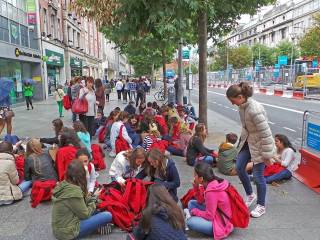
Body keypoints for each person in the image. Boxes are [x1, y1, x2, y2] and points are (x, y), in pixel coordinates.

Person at [226, 82, 275, 218]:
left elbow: (266, 133)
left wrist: (266, 154)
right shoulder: (242, 106)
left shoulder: (255, 109)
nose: (232, 104)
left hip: (259, 145)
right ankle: (250, 195)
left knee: (259, 177)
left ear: (240, 97)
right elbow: (246, 128)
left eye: (233, 100)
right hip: (248, 142)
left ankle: (261, 205)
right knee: (240, 167)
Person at [52, 159, 112, 239]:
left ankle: (96, 225)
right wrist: (94, 200)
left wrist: (93, 197)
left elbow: (80, 204)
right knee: (107, 215)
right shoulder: (74, 191)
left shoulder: (65, 183)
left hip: (61, 228)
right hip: (68, 233)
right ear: (81, 174)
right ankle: (96, 226)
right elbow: (85, 215)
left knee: (97, 209)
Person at [186, 162, 234, 239]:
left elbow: (209, 216)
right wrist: (196, 187)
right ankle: (199, 221)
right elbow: (201, 201)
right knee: (191, 203)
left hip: (221, 224)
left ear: (201, 179)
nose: (193, 177)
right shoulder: (211, 182)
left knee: (190, 222)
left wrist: (196, 212)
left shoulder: (211, 191)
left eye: (195, 175)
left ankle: (199, 222)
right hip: (217, 214)